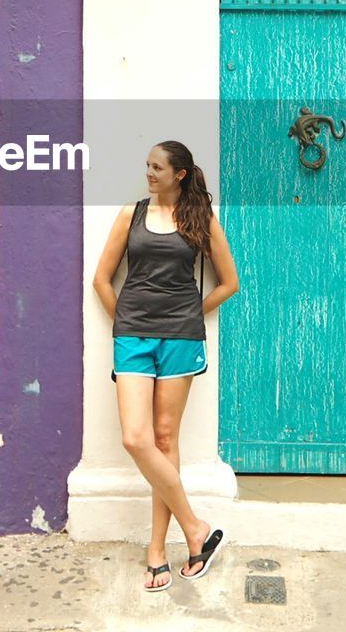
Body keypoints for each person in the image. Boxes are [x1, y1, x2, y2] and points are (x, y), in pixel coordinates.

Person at [92, 140, 240, 592]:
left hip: (180, 336)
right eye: (147, 166)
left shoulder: (201, 220)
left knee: (162, 437)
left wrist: (193, 312)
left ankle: (158, 549)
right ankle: (196, 529)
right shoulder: (130, 215)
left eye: (157, 168)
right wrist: (126, 321)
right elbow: (102, 278)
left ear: (179, 174)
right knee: (135, 438)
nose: (148, 173)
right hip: (133, 336)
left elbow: (229, 282)